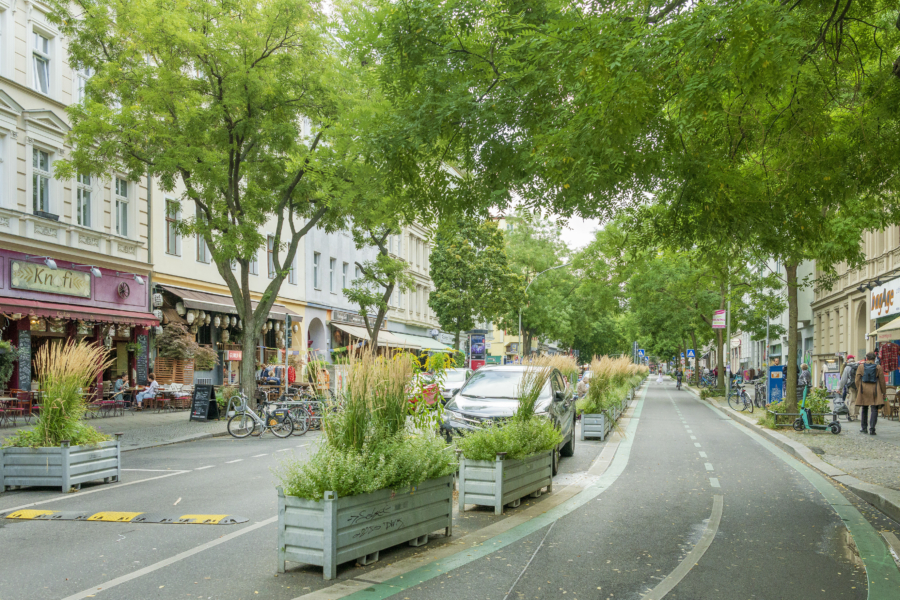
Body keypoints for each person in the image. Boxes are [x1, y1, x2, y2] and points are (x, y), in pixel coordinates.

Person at [854, 352, 886, 435]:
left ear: (867, 358)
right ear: (875, 358)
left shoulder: (861, 367)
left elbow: (857, 380)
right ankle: (872, 429)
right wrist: (883, 392)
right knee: (874, 409)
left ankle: (864, 428)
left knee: (864, 409)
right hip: (875, 390)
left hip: (863, 390)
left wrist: (859, 388)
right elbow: (882, 381)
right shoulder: (878, 367)